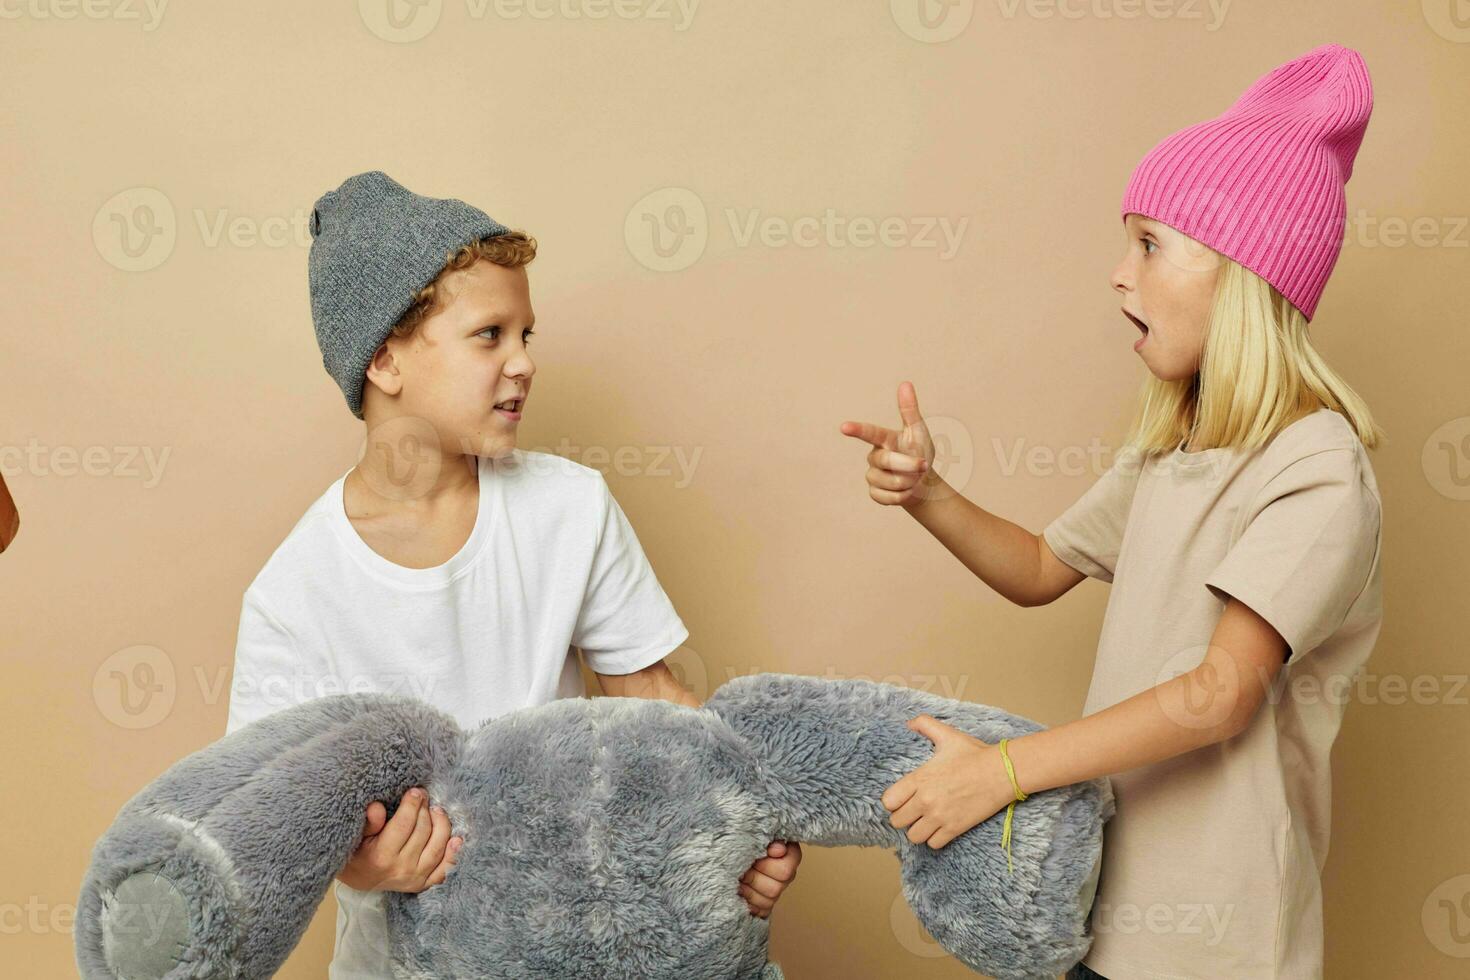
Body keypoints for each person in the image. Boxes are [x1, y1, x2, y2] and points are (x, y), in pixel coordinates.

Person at [840, 44, 1381, 979]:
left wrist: (1002, 773)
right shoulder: (1176, 448)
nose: (1118, 275)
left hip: (1218, 945)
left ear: (1244, 273)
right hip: (1107, 914)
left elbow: (1222, 695)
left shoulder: (1319, 474)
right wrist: (930, 495)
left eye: (1148, 243)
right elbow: (1042, 567)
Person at [225, 171, 800, 978]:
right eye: (490, 335)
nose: (524, 363)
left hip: (578, 940)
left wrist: (742, 826)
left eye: (528, 334)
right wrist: (365, 866)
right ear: (385, 359)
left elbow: (656, 701)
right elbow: (272, 825)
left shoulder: (569, 507)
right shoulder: (295, 593)